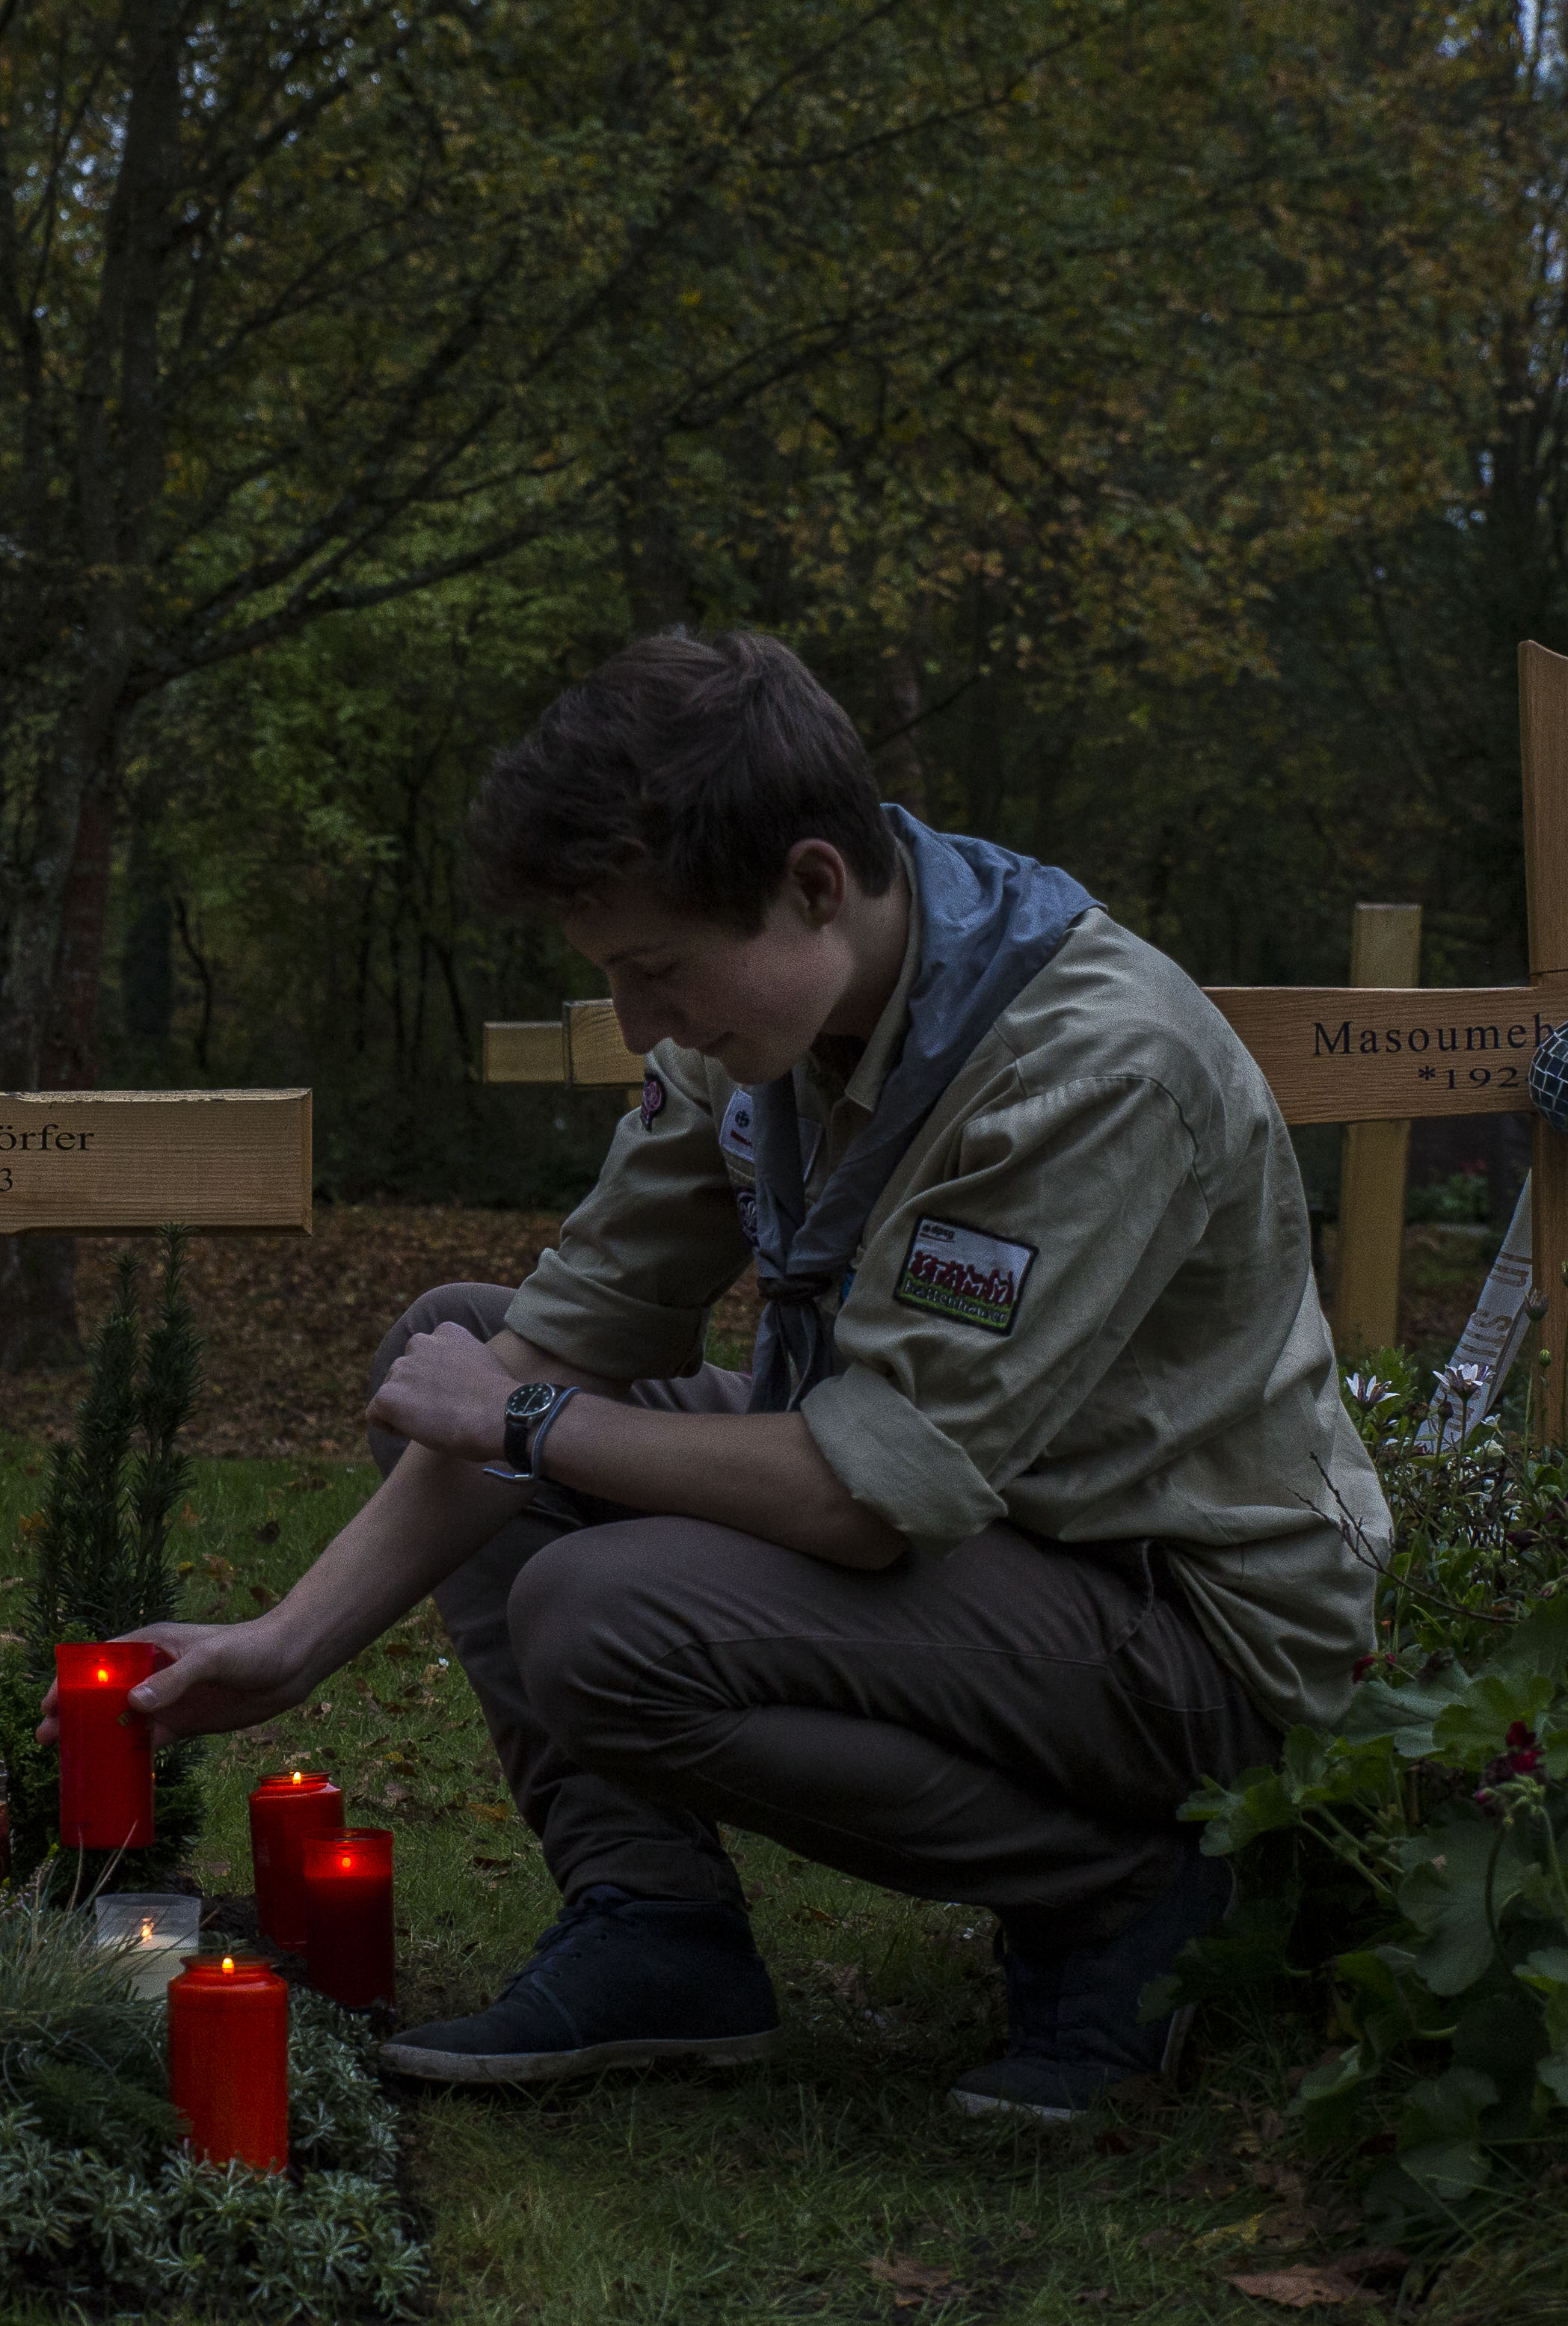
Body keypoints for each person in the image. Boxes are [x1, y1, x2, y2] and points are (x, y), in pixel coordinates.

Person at [84, 631, 1385, 2118]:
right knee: (445, 1334)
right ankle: (660, 1933)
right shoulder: (766, 1024)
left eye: (655, 971)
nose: (640, 1025)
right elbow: (573, 1322)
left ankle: (1137, 1886)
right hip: (973, 1529)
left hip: (1181, 1623)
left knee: (598, 1606)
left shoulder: (1086, 1063)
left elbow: (863, 1494)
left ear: (815, 883)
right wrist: (293, 1639)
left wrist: (525, 1418)